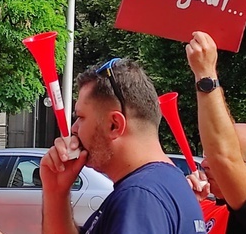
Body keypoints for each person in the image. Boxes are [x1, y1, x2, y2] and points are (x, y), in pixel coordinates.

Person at [40, 58, 205, 233]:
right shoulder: (169, 183)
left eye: (81, 117)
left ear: (115, 125)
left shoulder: (140, 197)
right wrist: (56, 192)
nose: (74, 128)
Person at [185, 31, 246, 234]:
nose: (205, 163)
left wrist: (205, 74)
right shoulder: (204, 205)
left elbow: (223, 155)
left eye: (214, 157)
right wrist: (187, 205)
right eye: (206, 155)